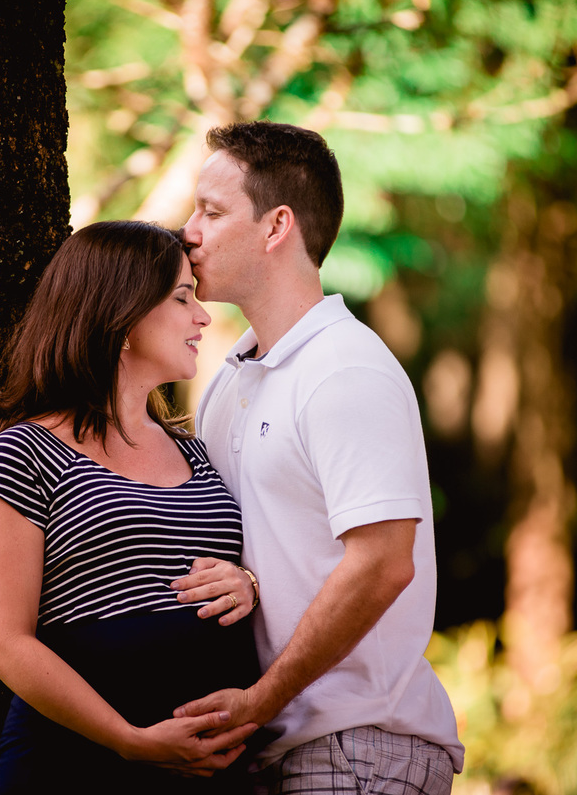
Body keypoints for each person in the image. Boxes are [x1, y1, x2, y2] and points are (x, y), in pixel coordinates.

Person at [171, 122, 465, 794]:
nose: (189, 231)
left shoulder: (346, 369)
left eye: (211, 212)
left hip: (359, 749)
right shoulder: (232, 377)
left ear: (277, 226)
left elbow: (384, 561)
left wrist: (262, 698)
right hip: (267, 751)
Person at [0, 220, 266, 795]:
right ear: (122, 318)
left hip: (208, 775)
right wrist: (131, 740)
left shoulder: (196, 453)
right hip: (78, 766)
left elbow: (239, 563)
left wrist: (247, 582)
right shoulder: (26, 452)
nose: (202, 317)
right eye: (182, 298)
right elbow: (3, 642)